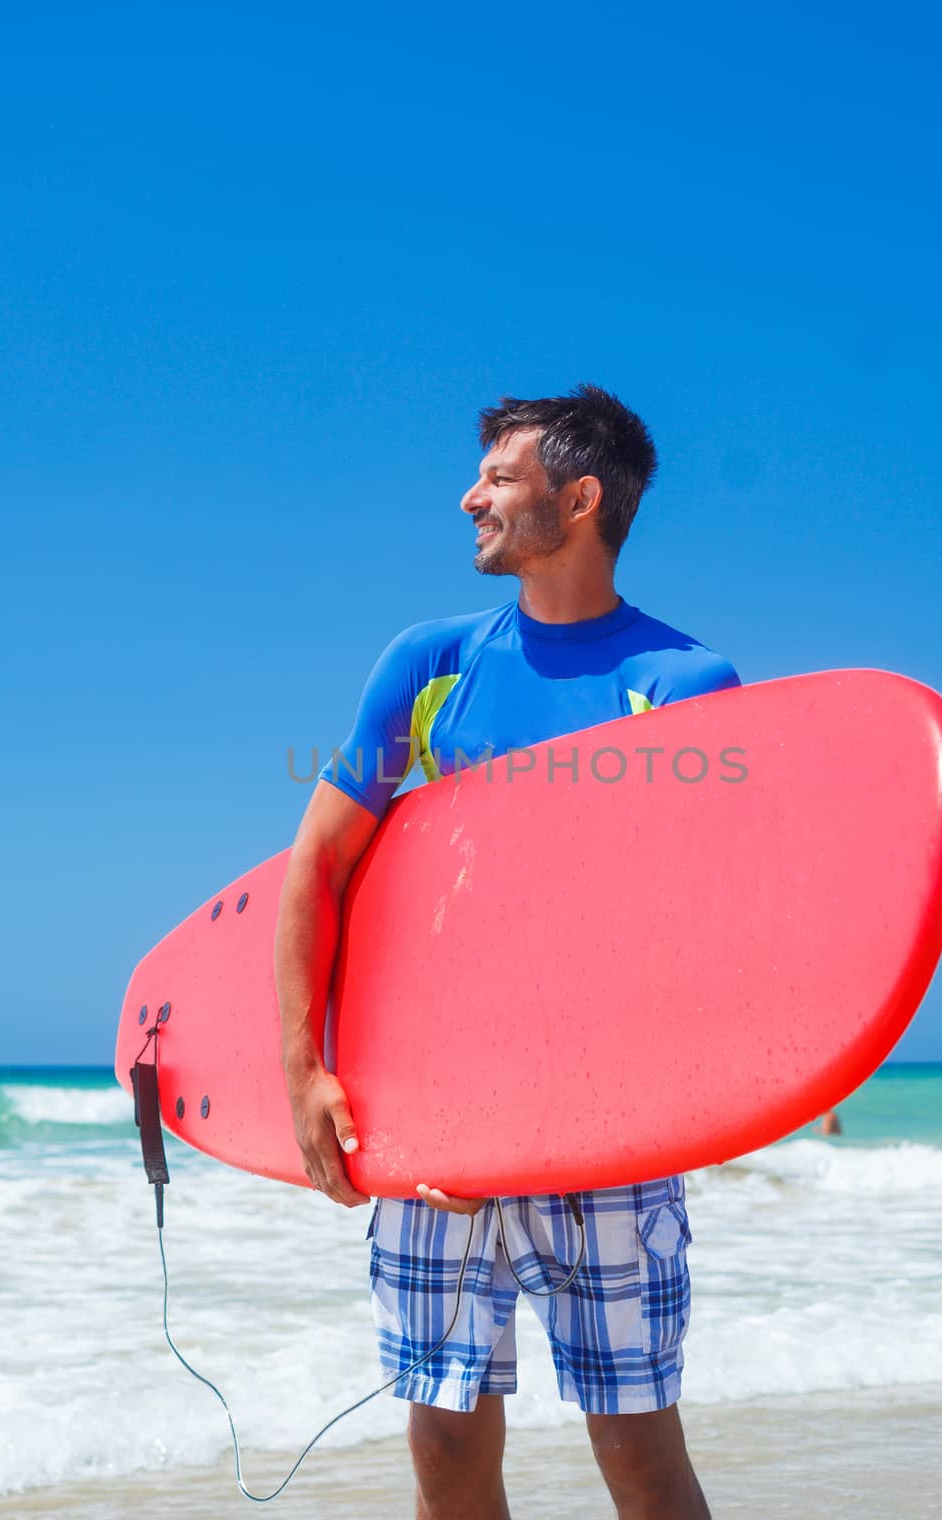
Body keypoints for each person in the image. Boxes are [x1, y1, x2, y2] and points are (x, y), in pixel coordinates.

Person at [274, 385, 736, 1520]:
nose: (468, 494)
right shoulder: (430, 661)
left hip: (607, 1118)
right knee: (443, 1444)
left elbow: (701, 931)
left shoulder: (682, 688)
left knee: (636, 1452)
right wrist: (304, 1067)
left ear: (578, 500)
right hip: (438, 1112)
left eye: (499, 477)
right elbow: (319, 866)